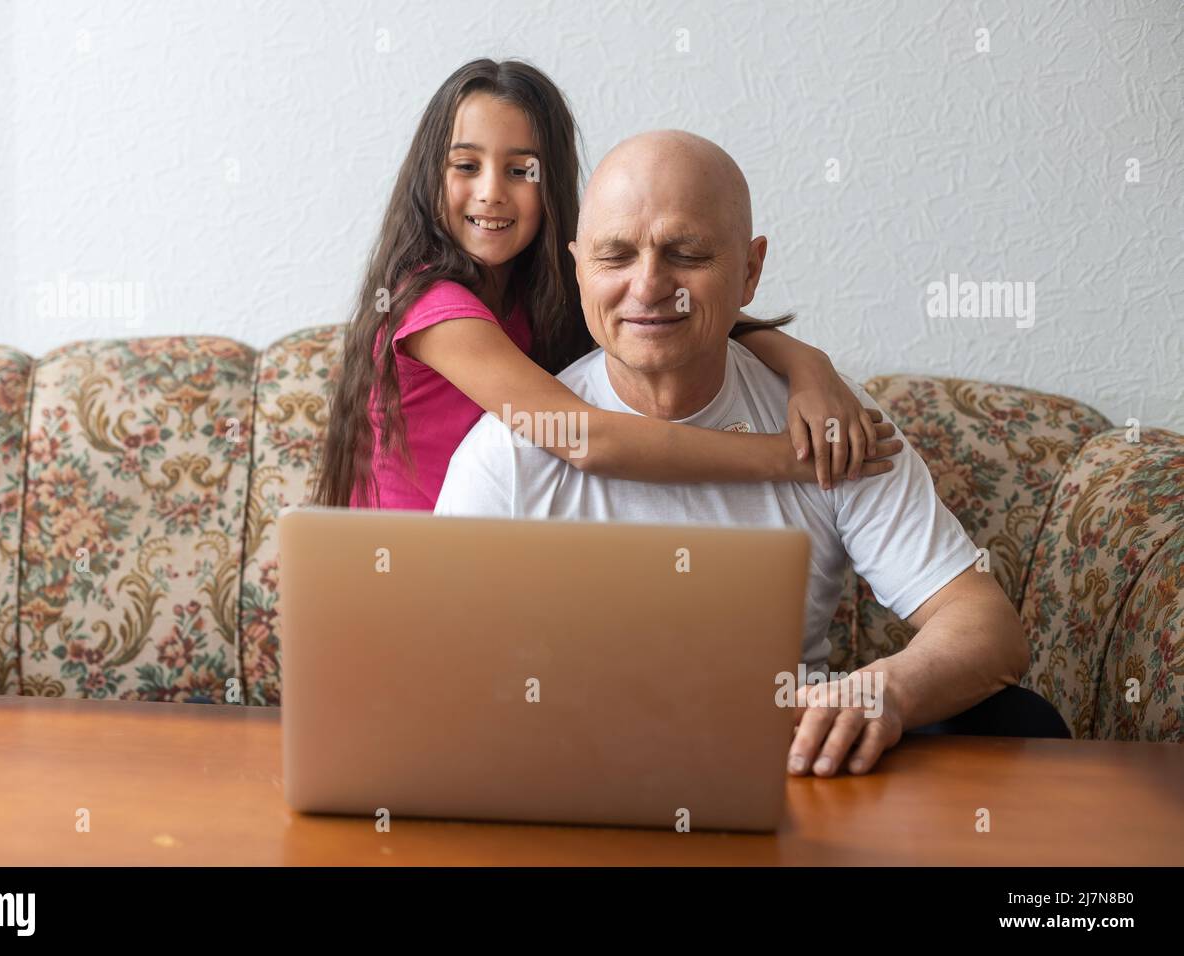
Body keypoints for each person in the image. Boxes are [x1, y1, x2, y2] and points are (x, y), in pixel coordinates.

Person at [435, 129, 1067, 777]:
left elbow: (986, 628)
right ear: (578, 269)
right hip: (583, 770)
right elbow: (436, 675)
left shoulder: (835, 428)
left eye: (685, 253)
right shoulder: (507, 455)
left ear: (751, 270)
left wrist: (886, 691)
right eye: (615, 256)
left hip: (786, 770)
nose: (649, 287)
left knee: (1019, 723)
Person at [314, 58, 902, 512]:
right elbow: (582, 438)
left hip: (490, 560)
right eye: (466, 166)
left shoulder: (536, 290)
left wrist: (809, 369)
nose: (492, 190)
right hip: (406, 578)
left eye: (521, 170)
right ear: (429, 176)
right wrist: (788, 459)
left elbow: (692, 310)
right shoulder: (431, 305)